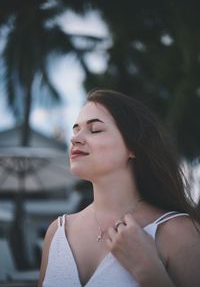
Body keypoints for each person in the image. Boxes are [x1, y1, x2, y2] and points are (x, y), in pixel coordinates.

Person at [38, 89, 200, 287]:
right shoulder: (57, 233)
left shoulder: (179, 233)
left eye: (95, 130)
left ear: (133, 147)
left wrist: (149, 271)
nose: (75, 139)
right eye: (76, 130)